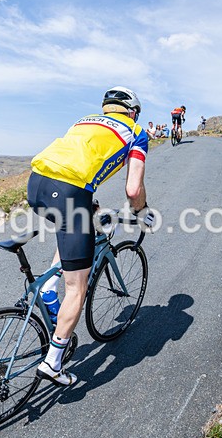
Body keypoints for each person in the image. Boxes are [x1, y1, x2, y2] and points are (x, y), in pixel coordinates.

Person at [27, 86, 154, 386]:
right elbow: (133, 189)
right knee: (78, 288)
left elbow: (74, 162)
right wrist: (141, 211)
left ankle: (49, 283)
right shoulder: (135, 131)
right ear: (133, 111)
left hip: (37, 184)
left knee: (74, 227)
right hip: (69, 192)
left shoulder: (84, 120)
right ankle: (53, 363)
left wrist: (89, 201)